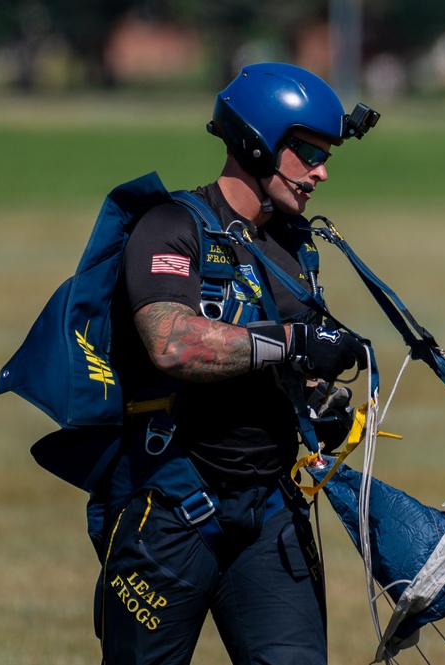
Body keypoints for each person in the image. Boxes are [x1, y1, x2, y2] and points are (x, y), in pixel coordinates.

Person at [95, 62, 375, 665]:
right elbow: (171, 342)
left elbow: (283, 360)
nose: (321, 172)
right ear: (255, 141)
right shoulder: (170, 226)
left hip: (270, 514)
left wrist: (316, 395)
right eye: (306, 152)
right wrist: (293, 343)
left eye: (325, 156)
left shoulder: (290, 249)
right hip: (172, 512)